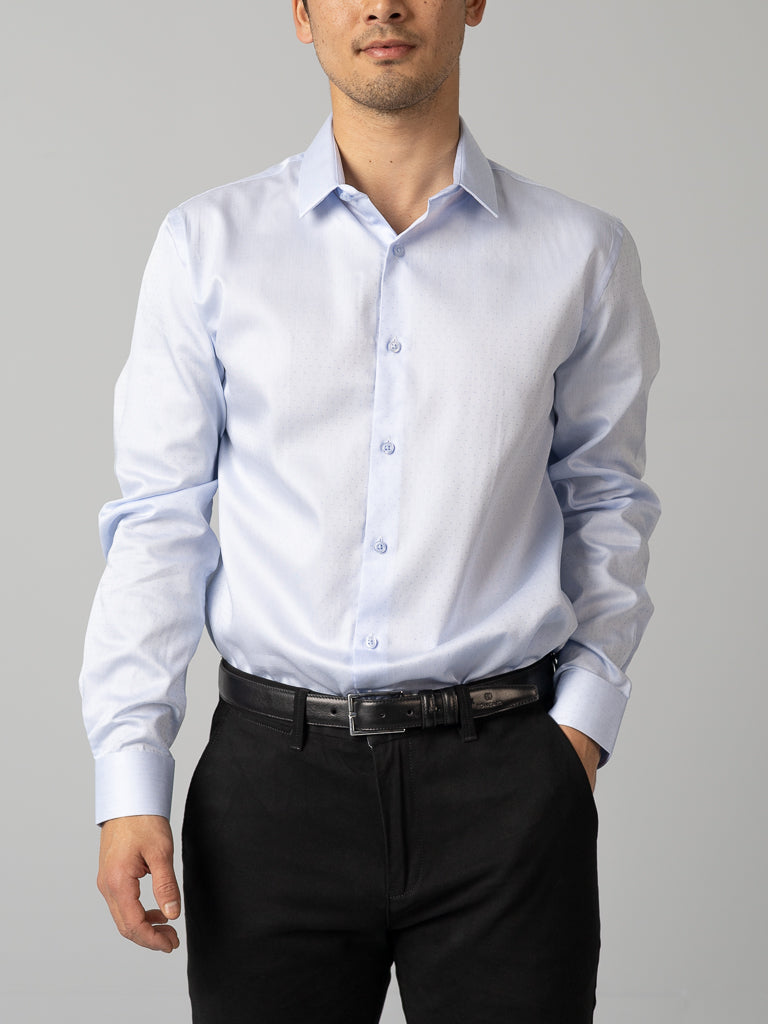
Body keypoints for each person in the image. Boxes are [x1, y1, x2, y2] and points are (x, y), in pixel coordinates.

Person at [80, 2, 660, 1021]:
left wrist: (579, 734)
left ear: (475, 3)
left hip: (508, 786)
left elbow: (609, 502)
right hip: (272, 788)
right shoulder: (208, 246)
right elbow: (160, 520)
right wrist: (130, 770)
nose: (384, 6)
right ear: (302, 12)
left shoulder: (581, 254)